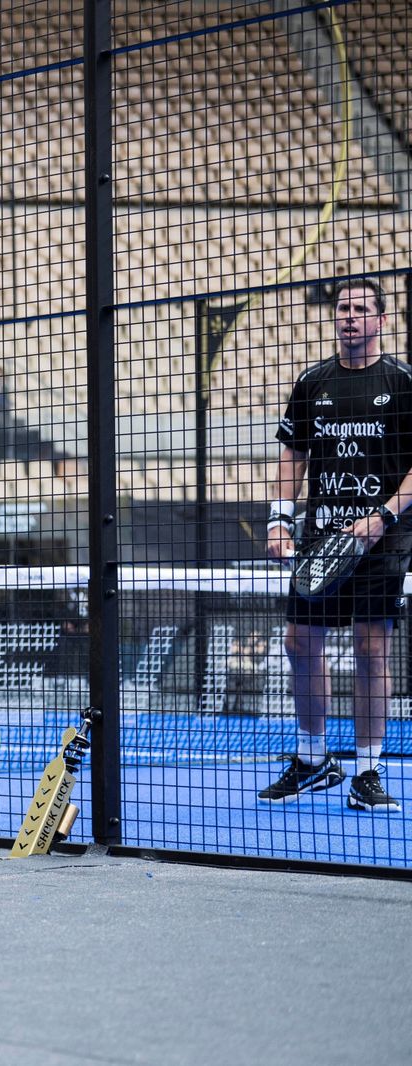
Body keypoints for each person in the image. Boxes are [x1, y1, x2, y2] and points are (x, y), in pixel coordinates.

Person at [263, 278, 410, 812]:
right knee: (299, 640)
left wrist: (383, 516)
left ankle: (368, 771)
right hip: (321, 539)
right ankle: (312, 760)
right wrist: (280, 520)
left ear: (381, 320)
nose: (348, 317)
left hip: (383, 541)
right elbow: (292, 455)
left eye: (360, 309)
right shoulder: (312, 382)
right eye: (342, 308)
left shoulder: (403, 382)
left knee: (372, 649)